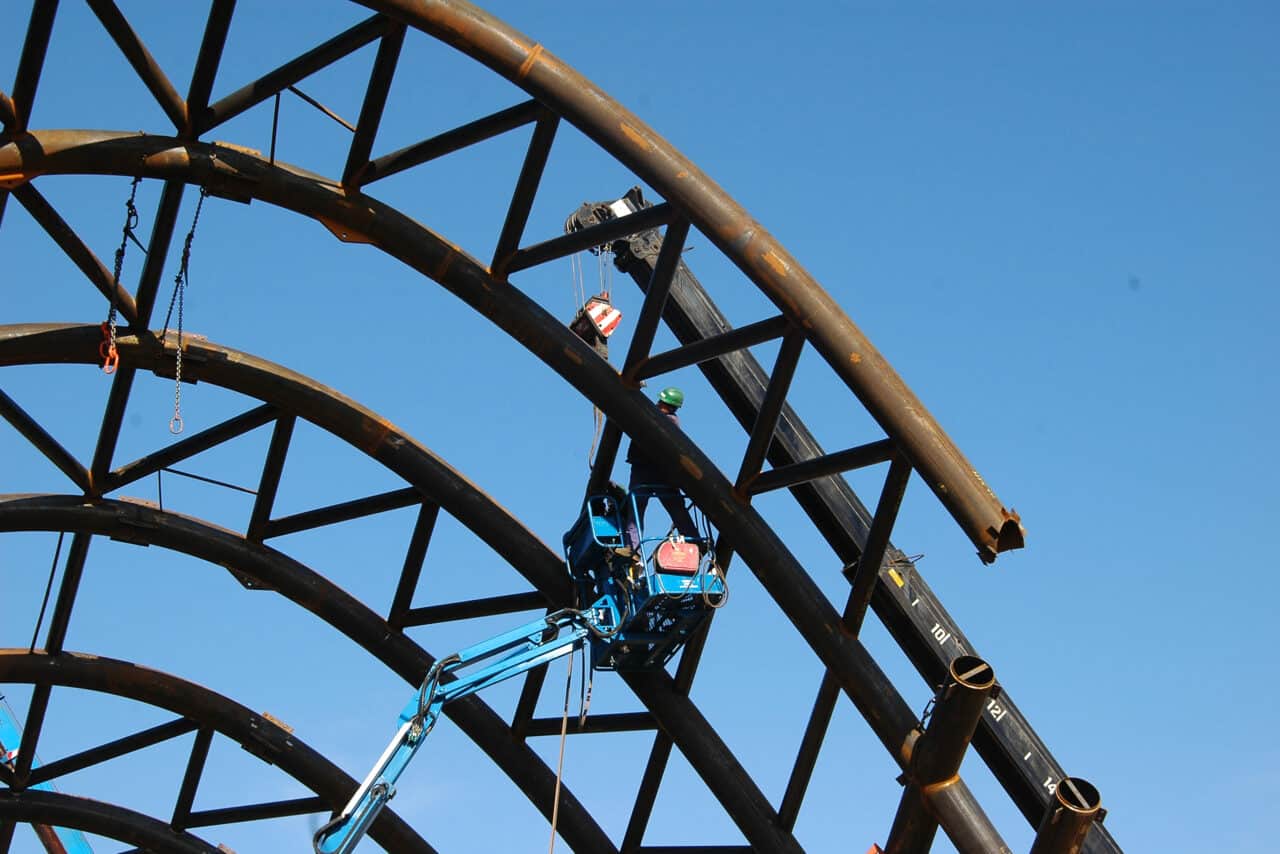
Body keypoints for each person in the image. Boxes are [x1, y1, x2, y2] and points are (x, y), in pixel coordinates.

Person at [623, 387, 700, 551]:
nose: (657, 404)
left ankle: (632, 549)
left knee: (643, 510)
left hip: (651, 472)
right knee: (639, 511)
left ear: (669, 406)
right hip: (653, 471)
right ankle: (695, 541)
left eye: (661, 402)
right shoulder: (660, 418)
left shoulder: (668, 421)